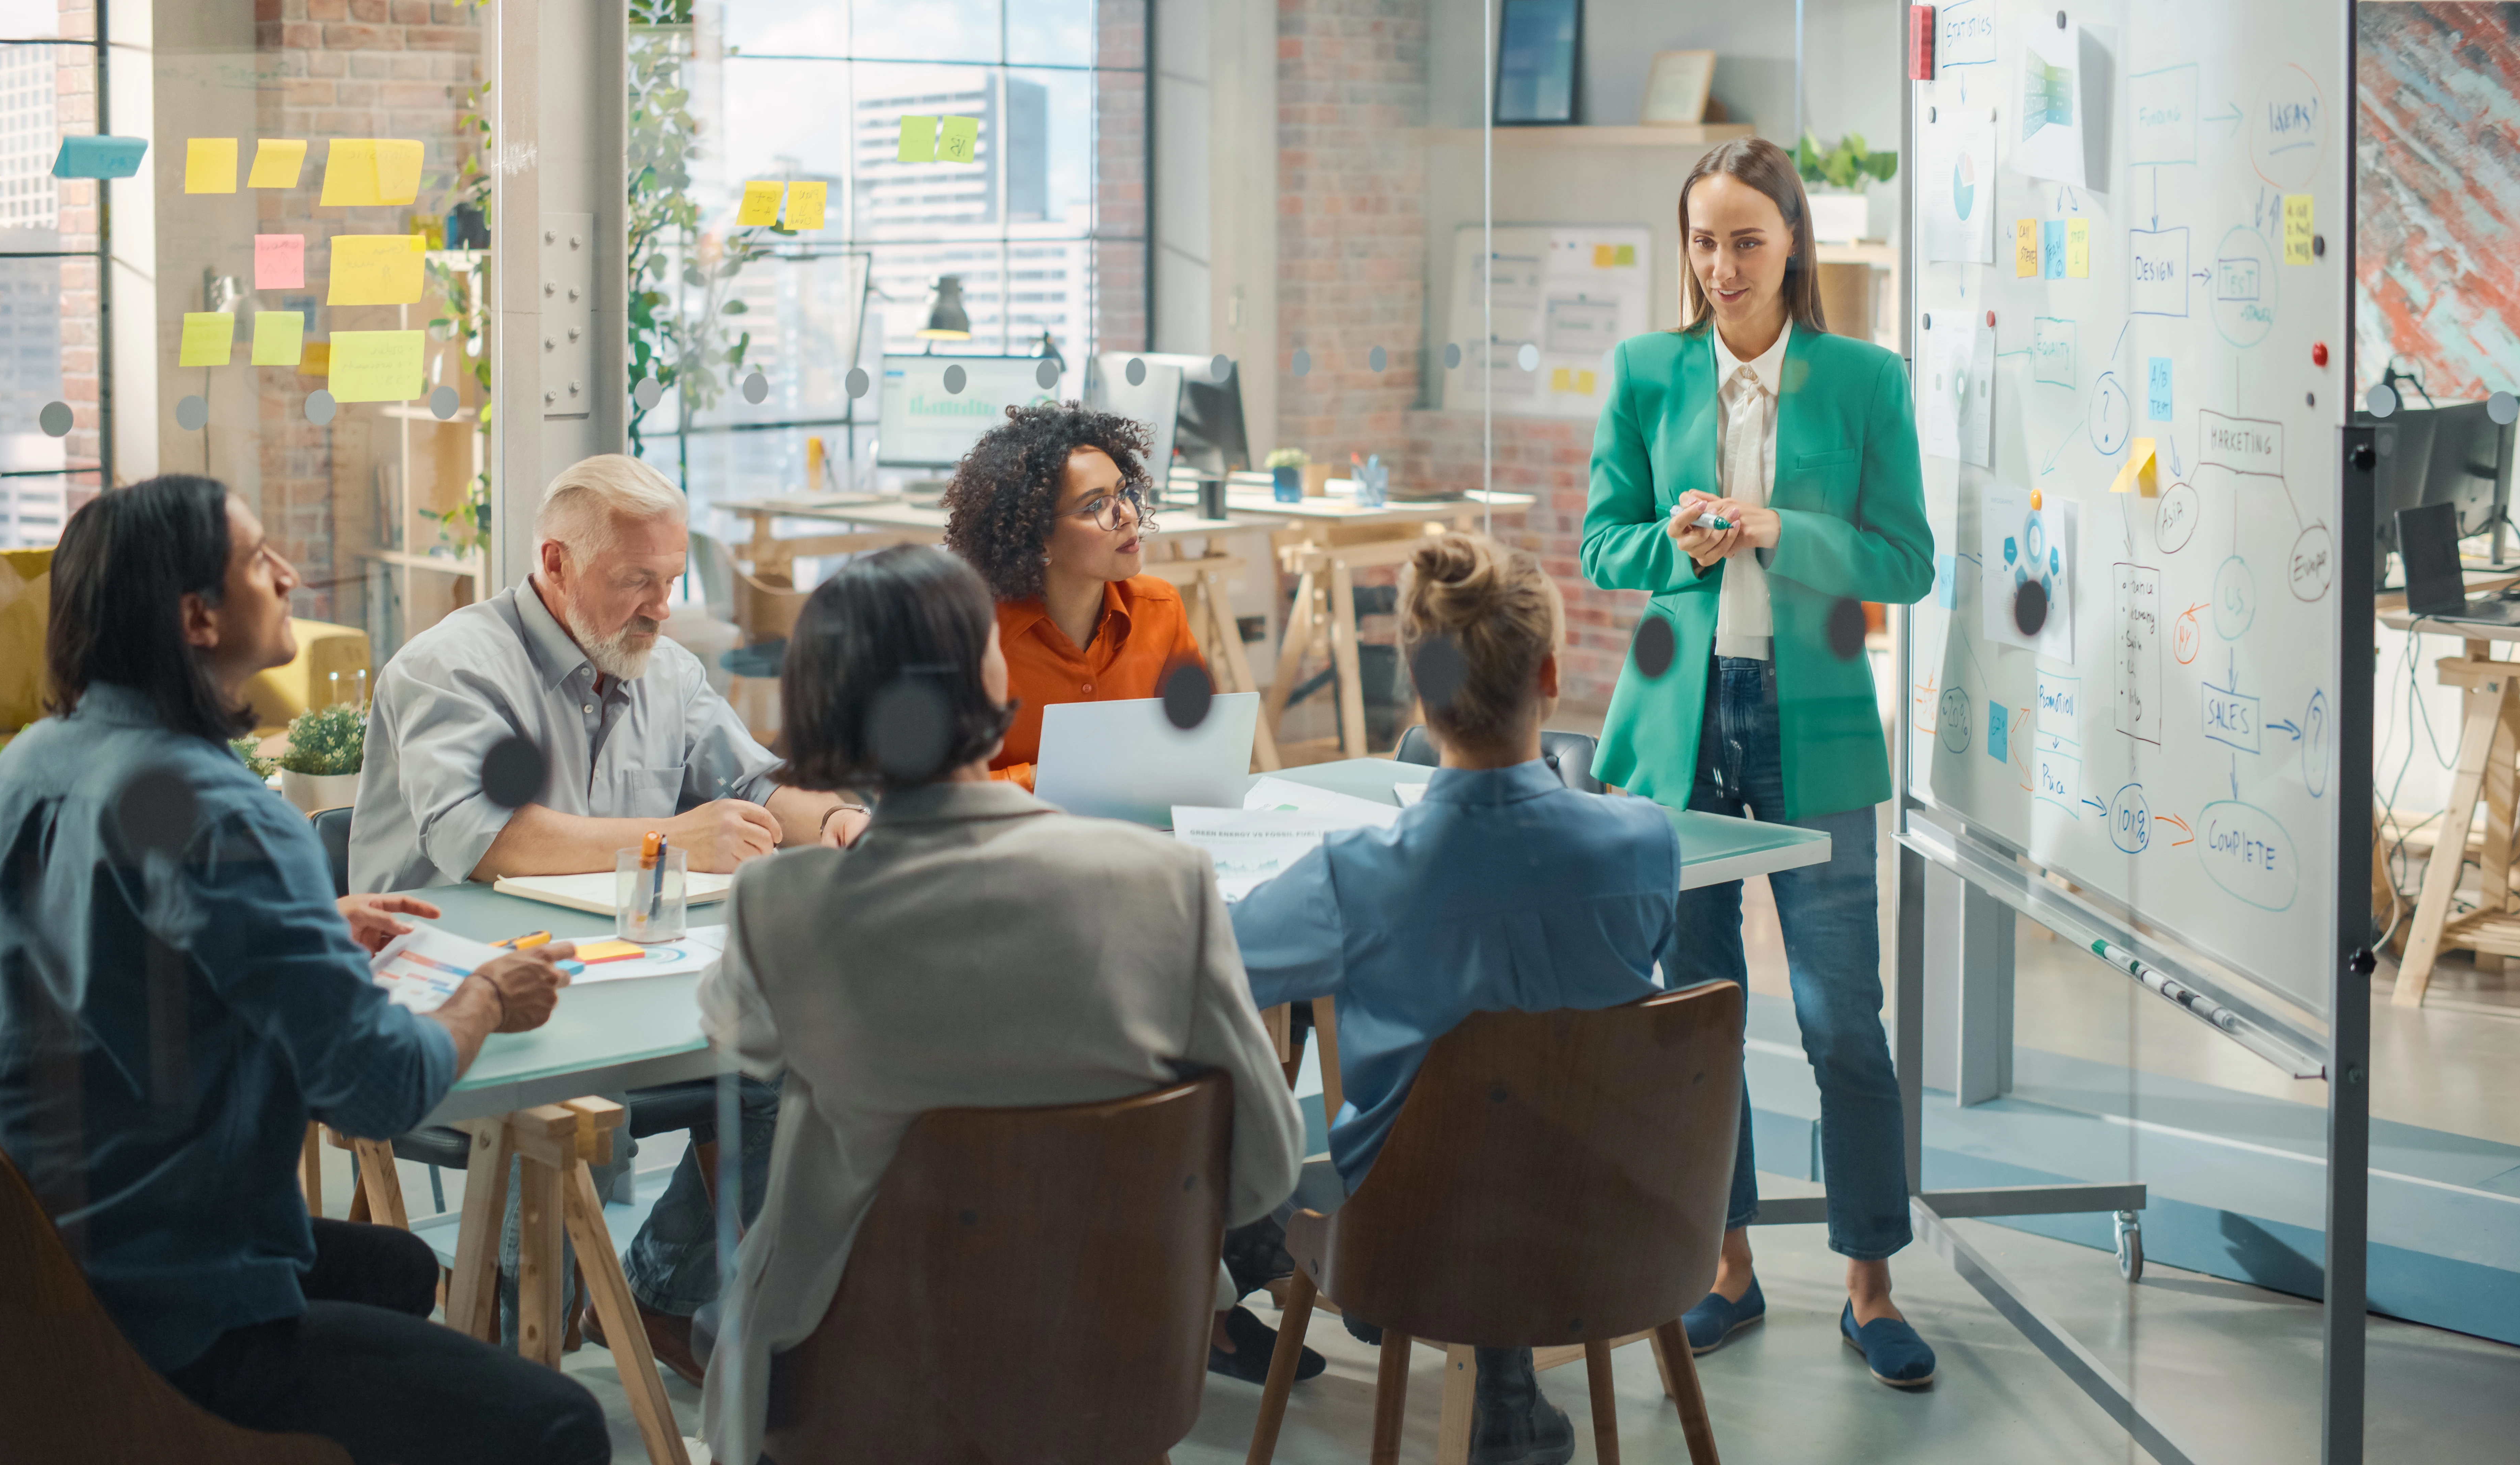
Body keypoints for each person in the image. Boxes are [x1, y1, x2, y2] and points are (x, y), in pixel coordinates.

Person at [0, 475, 602, 1465]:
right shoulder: (227, 815)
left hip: (24, 1278)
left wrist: (306, 923)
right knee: (560, 1424)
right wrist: (484, 997)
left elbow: (102, 939)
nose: (292, 574)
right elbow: (380, 1091)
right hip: (170, 1311)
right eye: (262, 559)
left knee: (390, 1267)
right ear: (197, 617)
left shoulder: (27, 767)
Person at [695, 545, 1303, 1465]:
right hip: (1119, 1358)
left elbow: (738, 1036)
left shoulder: (781, 907)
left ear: (819, 704)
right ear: (991, 672)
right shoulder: (1165, 884)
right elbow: (1264, 1171)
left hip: (865, 1382)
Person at [350, 452, 854, 1382]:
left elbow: (753, 785)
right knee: (557, 1099)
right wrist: (674, 836)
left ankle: (663, 1294)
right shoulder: (451, 668)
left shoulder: (665, 669)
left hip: (622, 976)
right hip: (453, 997)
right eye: (637, 583)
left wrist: (832, 820)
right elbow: (483, 834)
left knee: (803, 1063)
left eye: (672, 580)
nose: (663, 607)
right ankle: (498, 1368)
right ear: (556, 563)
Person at [1581, 137, 1939, 1386]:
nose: (1720, 266)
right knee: (1697, 1017)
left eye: (1745, 240)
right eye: (1702, 241)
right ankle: (1724, 1267)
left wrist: (1788, 531)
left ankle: (1870, 1283)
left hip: (1818, 722)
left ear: (1793, 243)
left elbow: (1906, 562)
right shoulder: (1643, 371)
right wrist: (1674, 543)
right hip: (1676, 731)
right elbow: (1600, 543)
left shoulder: (1864, 381)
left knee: (1846, 1016)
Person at [1231, 531, 1682, 1465]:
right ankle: (1507, 1390)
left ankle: (1240, 1265)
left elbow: (1213, 968)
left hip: (1406, 1241)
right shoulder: (1645, 843)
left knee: (1227, 1103)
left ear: (1418, 688)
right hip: (1611, 1221)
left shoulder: (1359, 876)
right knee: (1516, 1117)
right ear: (1551, 673)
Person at [940, 402, 1205, 789]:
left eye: (1123, 493)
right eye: (1096, 505)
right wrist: (1043, 779)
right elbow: (934, 794)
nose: (1128, 515)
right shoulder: (973, 639)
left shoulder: (1160, 609)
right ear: (1037, 538)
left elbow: (1198, 746)